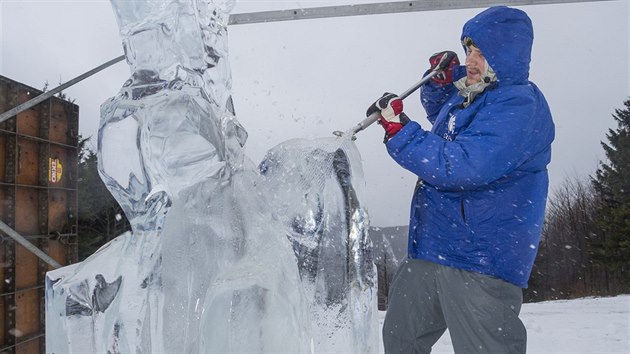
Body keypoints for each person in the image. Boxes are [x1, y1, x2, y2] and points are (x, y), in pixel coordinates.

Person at [368, 6, 555, 354]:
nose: (471, 59)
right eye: (469, 49)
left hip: (480, 256)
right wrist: (440, 80)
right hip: (432, 247)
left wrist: (399, 130)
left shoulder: (518, 106)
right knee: (400, 340)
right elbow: (449, 120)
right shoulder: (477, 93)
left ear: (507, 56)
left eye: (482, 53)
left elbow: (462, 166)